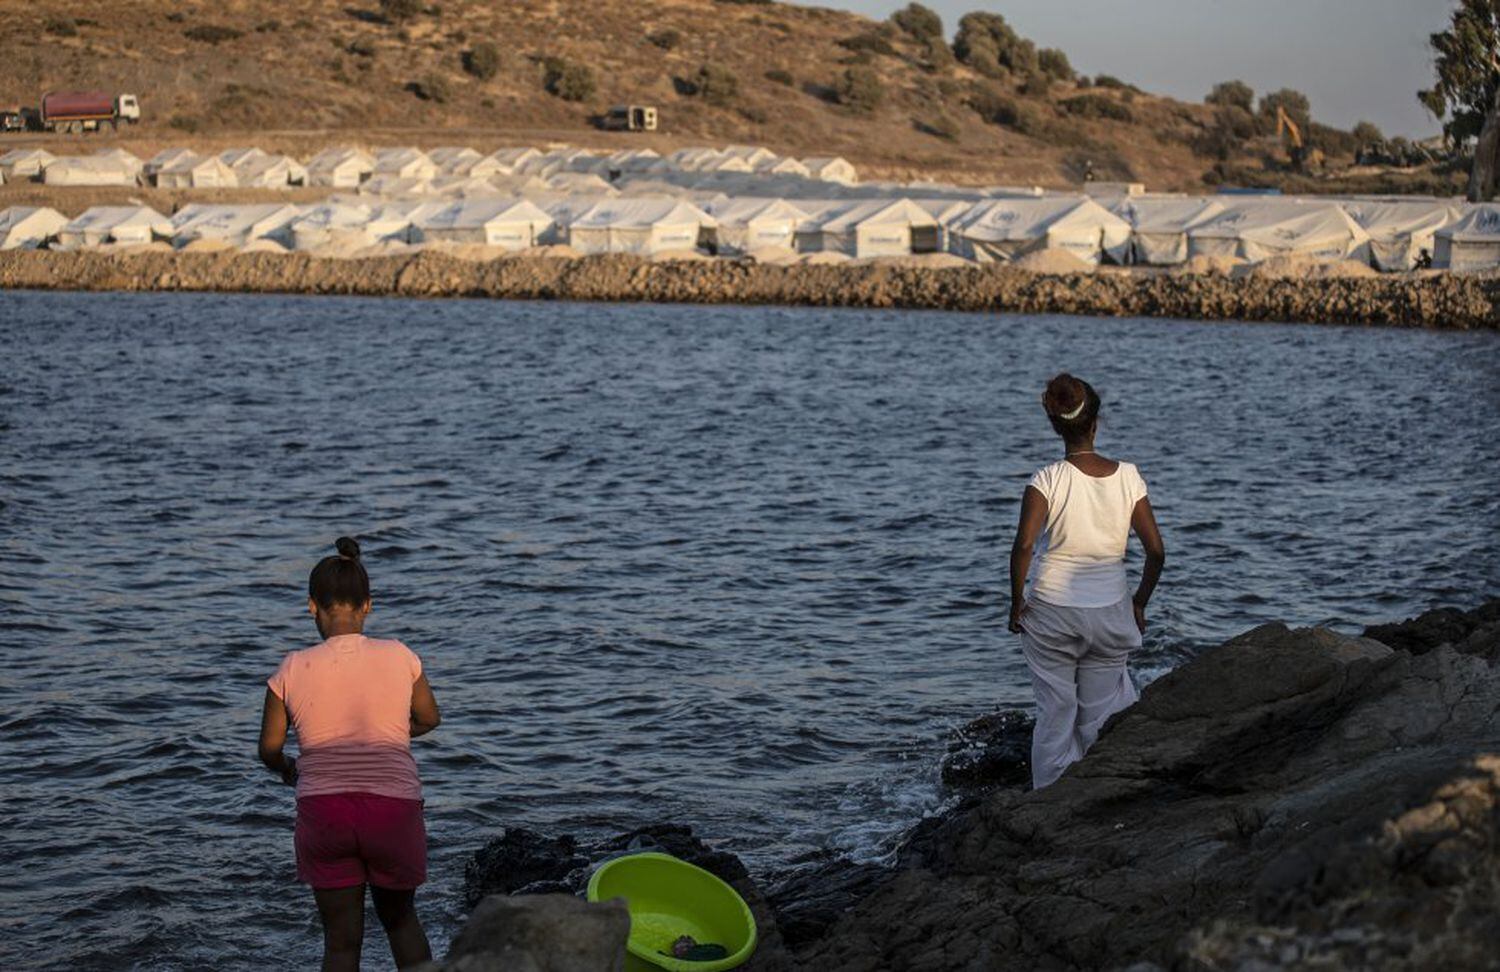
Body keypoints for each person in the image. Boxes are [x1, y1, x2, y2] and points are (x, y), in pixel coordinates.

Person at [258, 537, 442, 971]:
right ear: (368, 606)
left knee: (340, 942)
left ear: (312, 607)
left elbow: (268, 749)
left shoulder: (291, 667)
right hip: (392, 810)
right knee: (401, 923)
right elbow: (430, 718)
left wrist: (289, 770)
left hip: (324, 812)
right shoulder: (399, 655)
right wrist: (390, 735)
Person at [1008, 374, 1164, 789]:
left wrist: (1016, 601)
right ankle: (1101, 792)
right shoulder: (1129, 477)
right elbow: (1156, 552)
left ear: (1055, 424)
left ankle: (1050, 802)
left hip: (1052, 617)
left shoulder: (1046, 480)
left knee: (1056, 714)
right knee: (1103, 715)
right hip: (1111, 614)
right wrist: (1139, 603)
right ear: (1095, 423)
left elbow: (1024, 546)